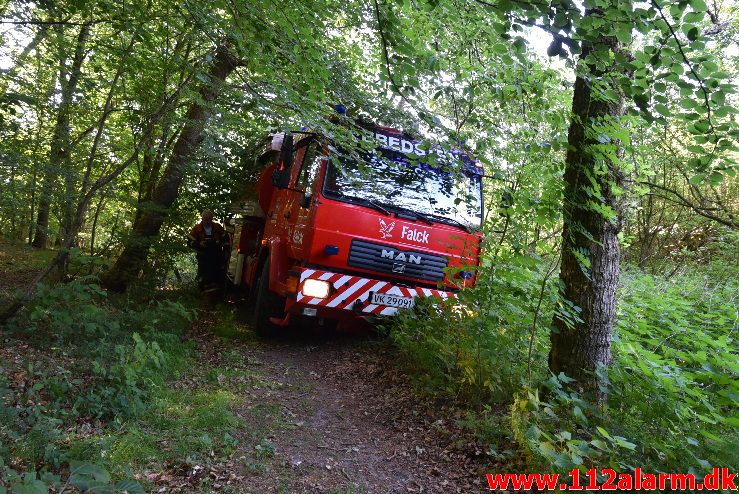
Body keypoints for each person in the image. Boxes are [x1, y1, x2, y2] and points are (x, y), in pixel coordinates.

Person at [188, 209, 230, 290]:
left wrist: (226, 250)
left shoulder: (217, 227)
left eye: (209, 219)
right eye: (205, 219)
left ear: (212, 219)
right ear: (202, 218)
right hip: (203, 257)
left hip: (217, 256)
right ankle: (202, 294)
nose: (207, 221)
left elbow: (226, 240)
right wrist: (199, 244)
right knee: (203, 276)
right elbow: (190, 242)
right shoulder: (196, 229)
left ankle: (217, 296)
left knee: (217, 276)